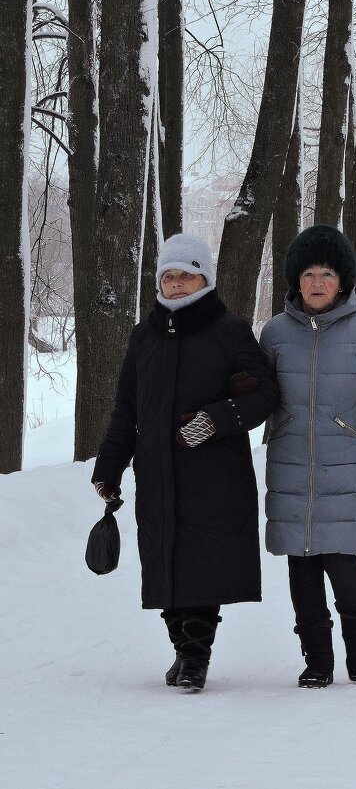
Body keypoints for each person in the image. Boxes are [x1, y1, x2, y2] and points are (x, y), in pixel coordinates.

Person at [91, 233, 279, 691]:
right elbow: (126, 410)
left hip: (212, 475)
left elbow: (267, 393)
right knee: (166, 563)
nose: (177, 284)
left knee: (202, 565)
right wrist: (109, 468)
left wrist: (215, 420)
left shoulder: (229, 330)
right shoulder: (144, 337)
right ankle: (181, 649)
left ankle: (195, 657)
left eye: (186, 275)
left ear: (204, 279)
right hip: (156, 471)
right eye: (169, 276)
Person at [259, 224, 356, 689]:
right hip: (291, 469)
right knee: (301, 572)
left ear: (342, 281)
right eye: (308, 273)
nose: (317, 282)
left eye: (327, 273)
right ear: (295, 280)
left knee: (344, 567)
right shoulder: (274, 333)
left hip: (349, 468)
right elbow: (256, 395)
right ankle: (317, 661)